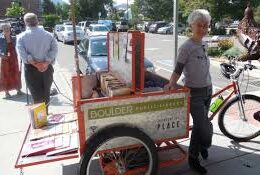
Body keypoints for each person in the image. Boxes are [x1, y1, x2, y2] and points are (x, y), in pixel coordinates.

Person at [164, 9, 213, 174]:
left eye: (205, 25)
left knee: (201, 127)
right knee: (203, 127)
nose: (203, 28)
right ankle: (197, 153)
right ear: (192, 25)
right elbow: (178, 69)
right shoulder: (187, 47)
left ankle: (198, 148)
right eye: (199, 25)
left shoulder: (204, 44)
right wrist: (171, 84)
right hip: (194, 93)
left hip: (208, 89)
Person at [16, 13, 58, 113]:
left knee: (36, 94)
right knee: (46, 92)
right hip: (46, 68)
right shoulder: (49, 35)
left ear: (26, 23)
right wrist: (46, 63)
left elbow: (23, 55)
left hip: (31, 69)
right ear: (37, 21)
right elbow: (54, 50)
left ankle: (41, 118)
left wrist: (35, 64)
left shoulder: (21, 37)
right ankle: (45, 113)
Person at [0, 23, 23, 98]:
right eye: (5, 28)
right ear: (2, 29)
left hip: (14, 57)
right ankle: (6, 92)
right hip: (5, 58)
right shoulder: (0, 38)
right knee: (5, 74)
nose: (7, 30)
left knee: (16, 72)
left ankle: (18, 89)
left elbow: (19, 46)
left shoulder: (14, 38)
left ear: (10, 29)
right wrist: (1, 55)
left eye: (8, 28)